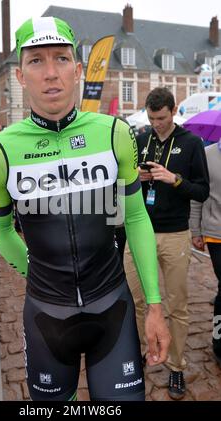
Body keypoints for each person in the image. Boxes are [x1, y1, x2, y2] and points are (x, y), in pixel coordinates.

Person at [0, 16, 170, 402]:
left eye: (61, 59)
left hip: (111, 306)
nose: (51, 73)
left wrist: (154, 306)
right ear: (20, 75)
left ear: (79, 69)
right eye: (36, 61)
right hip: (47, 316)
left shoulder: (115, 133)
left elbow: (133, 216)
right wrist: (35, 272)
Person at [124, 87, 209, 400]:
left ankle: (175, 366)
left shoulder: (191, 143)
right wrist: (137, 177)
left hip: (175, 234)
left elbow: (201, 190)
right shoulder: (140, 139)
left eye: (161, 118)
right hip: (140, 231)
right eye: (151, 118)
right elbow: (123, 181)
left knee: (176, 304)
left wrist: (173, 179)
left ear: (173, 112)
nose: (156, 123)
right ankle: (146, 353)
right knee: (136, 298)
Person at [190, 139, 221, 365]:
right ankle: (219, 343)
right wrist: (195, 230)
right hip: (215, 231)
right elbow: (198, 195)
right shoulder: (207, 154)